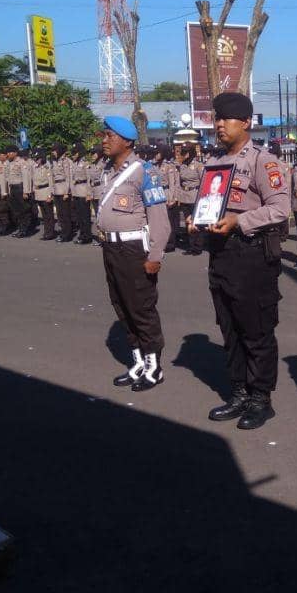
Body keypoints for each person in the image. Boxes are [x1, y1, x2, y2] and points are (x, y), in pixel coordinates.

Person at [191, 92, 290, 430]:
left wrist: (239, 221)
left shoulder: (263, 161)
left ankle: (261, 398)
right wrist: (196, 220)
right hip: (220, 253)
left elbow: (279, 207)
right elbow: (207, 203)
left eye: (227, 118)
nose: (219, 124)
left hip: (251, 255)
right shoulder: (214, 161)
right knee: (229, 327)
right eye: (217, 118)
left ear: (245, 122)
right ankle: (238, 392)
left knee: (256, 329)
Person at [96, 116, 171, 391]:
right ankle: (137, 361)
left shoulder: (144, 171)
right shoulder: (106, 171)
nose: (104, 140)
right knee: (122, 305)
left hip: (133, 250)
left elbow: (160, 219)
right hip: (111, 247)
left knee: (141, 308)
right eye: (103, 135)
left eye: (110, 136)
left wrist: (155, 256)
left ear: (126, 140)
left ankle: (153, 367)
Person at [176, 143, 202, 254]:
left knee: (196, 221)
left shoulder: (198, 165)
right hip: (185, 196)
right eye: (183, 152)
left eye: (186, 152)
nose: (184, 154)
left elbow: (203, 181)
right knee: (187, 222)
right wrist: (178, 196)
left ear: (191, 153)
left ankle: (198, 246)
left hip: (195, 195)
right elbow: (179, 182)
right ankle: (191, 246)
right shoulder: (182, 166)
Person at [70, 146, 93, 244]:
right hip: (76, 191)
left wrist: (89, 193)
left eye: (74, 153)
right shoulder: (74, 164)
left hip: (83, 191)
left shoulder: (85, 164)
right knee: (79, 216)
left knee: (85, 216)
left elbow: (89, 179)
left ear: (78, 154)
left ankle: (87, 236)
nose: (72, 155)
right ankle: (82, 235)